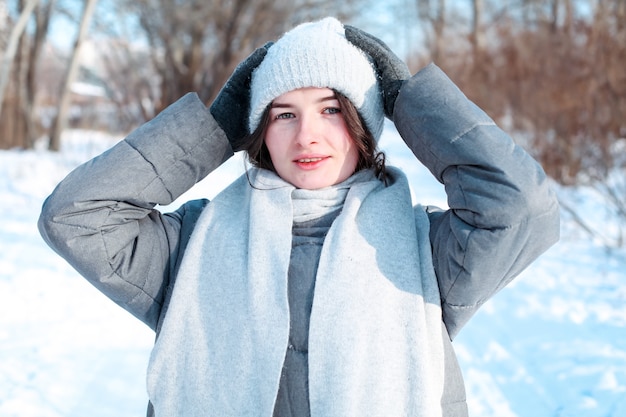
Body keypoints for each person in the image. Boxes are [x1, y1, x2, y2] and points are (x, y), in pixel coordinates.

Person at [38, 17, 559, 417]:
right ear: (260, 130)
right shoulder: (191, 245)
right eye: (283, 114)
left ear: (363, 123)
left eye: (332, 109)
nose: (306, 135)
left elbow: (521, 206)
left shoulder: (427, 249)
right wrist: (217, 126)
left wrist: (405, 99)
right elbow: (75, 215)